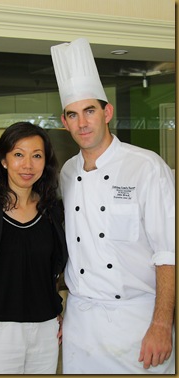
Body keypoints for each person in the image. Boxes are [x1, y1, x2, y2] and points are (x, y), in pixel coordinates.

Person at [51, 37, 175, 374]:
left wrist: (162, 325)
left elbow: (168, 253)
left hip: (137, 323)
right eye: (73, 115)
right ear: (64, 122)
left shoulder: (146, 167)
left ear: (107, 112)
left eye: (90, 110)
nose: (82, 123)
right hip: (80, 325)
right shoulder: (67, 172)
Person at [0, 121, 68, 374]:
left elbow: (52, 267)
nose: (27, 165)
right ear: (3, 160)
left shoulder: (52, 210)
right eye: (18, 155)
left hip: (45, 331)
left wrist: (54, 307)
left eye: (37, 156)